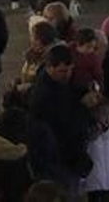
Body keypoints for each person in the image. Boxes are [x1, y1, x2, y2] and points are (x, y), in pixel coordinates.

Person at [27, 44, 94, 191]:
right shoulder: (44, 95)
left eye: (70, 70)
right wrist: (84, 107)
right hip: (59, 157)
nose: (68, 75)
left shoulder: (57, 82)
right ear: (50, 67)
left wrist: (83, 93)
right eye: (63, 71)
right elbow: (65, 123)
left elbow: (69, 94)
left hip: (65, 155)